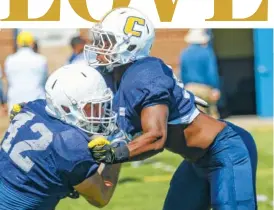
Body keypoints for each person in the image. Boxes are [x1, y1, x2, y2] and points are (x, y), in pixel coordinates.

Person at [84, 7, 258, 210]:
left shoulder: (143, 77)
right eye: (99, 40)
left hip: (226, 150)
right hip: (197, 160)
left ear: (130, 45)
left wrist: (114, 154)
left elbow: (156, 138)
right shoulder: (116, 76)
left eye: (107, 41)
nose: (99, 46)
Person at [0, 63, 122, 209]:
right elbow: (101, 196)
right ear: (66, 107)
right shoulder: (71, 145)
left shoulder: (34, 107)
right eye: (92, 106)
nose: (100, 113)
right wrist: (115, 155)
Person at [4, 31, 49, 113]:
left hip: (15, 98)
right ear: (32, 44)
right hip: (36, 98)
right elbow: (44, 80)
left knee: (16, 124)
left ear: (18, 44)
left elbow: (9, 80)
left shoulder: (9, 60)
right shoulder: (41, 59)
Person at [180, 29, 221, 119]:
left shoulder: (185, 53)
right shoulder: (207, 52)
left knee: (195, 117)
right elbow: (211, 72)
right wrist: (215, 88)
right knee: (212, 117)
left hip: (189, 88)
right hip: (205, 88)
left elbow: (183, 73)